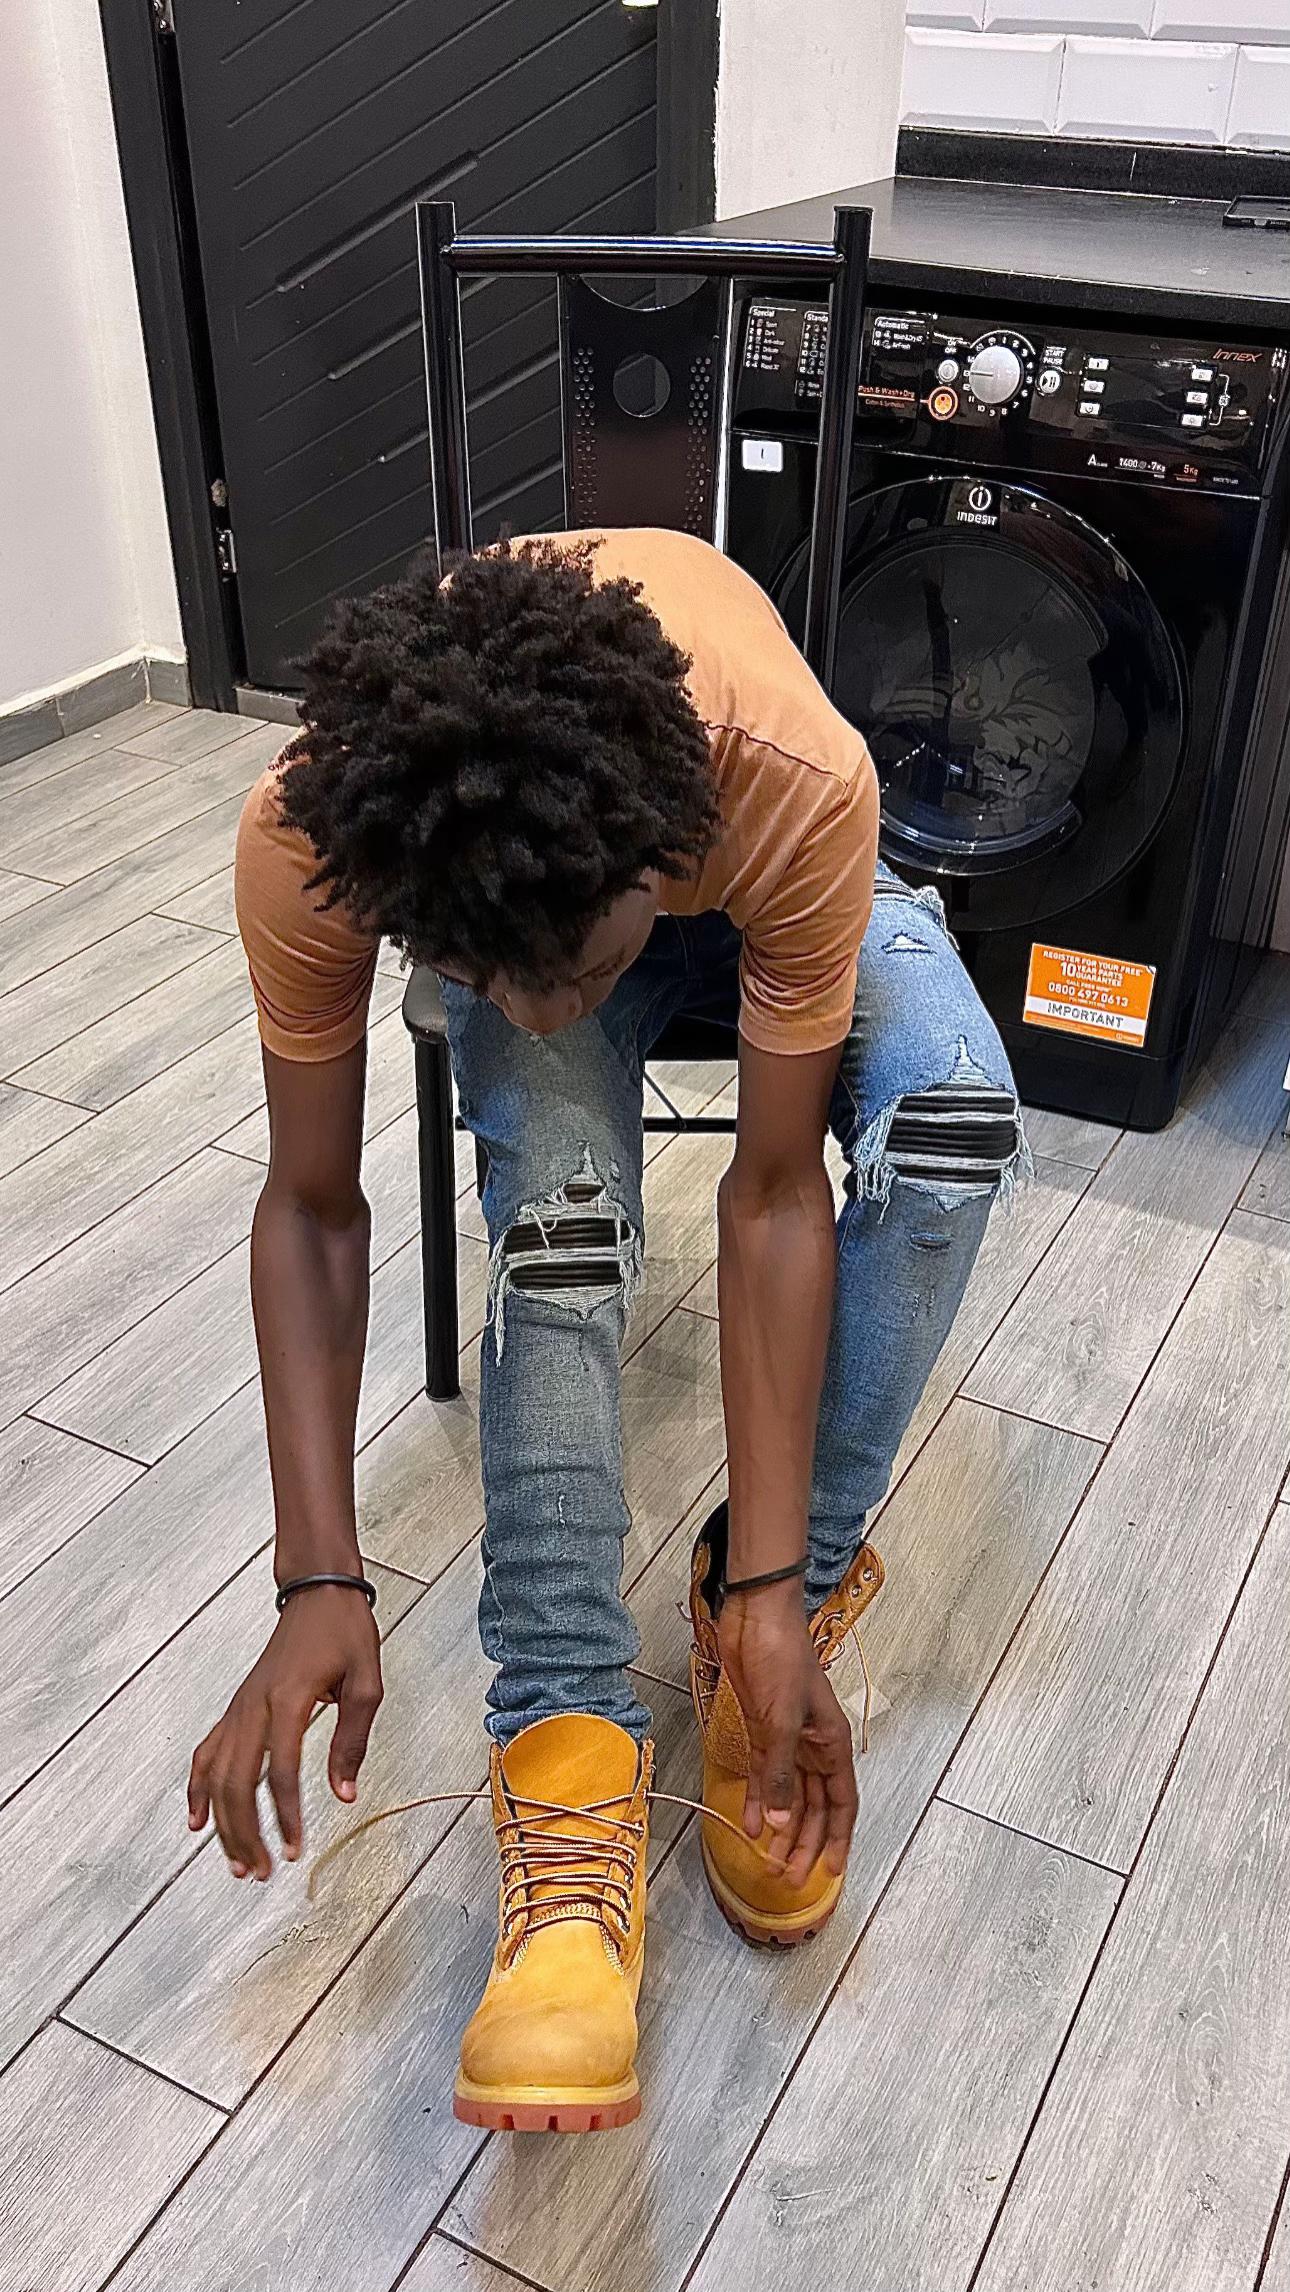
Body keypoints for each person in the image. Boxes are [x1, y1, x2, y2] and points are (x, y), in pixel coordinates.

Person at [189, 529, 1024, 2133]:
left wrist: (769, 1578)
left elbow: (771, 1195)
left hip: (767, 860)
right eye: (474, 978)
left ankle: (761, 1619)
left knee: (953, 1122)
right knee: (563, 1213)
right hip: (543, 874)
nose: (528, 1013)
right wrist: (317, 1576)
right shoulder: (317, 825)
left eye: (560, 977)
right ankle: (567, 1731)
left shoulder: (786, 779)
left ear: (655, 853)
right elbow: (310, 1207)